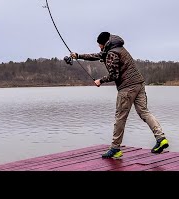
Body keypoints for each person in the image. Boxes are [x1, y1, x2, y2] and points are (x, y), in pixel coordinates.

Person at [71, 31, 169, 159]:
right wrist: (78, 55)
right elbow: (98, 55)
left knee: (120, 117)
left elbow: (114, 75)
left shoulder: (112, 53)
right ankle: (161, 138)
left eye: (99, 45)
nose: (99, 47)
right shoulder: (117, 47)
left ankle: (115, 149)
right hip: (139, 83)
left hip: (127, 88)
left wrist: (100, 80)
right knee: (144, 112)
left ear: (103, 43)